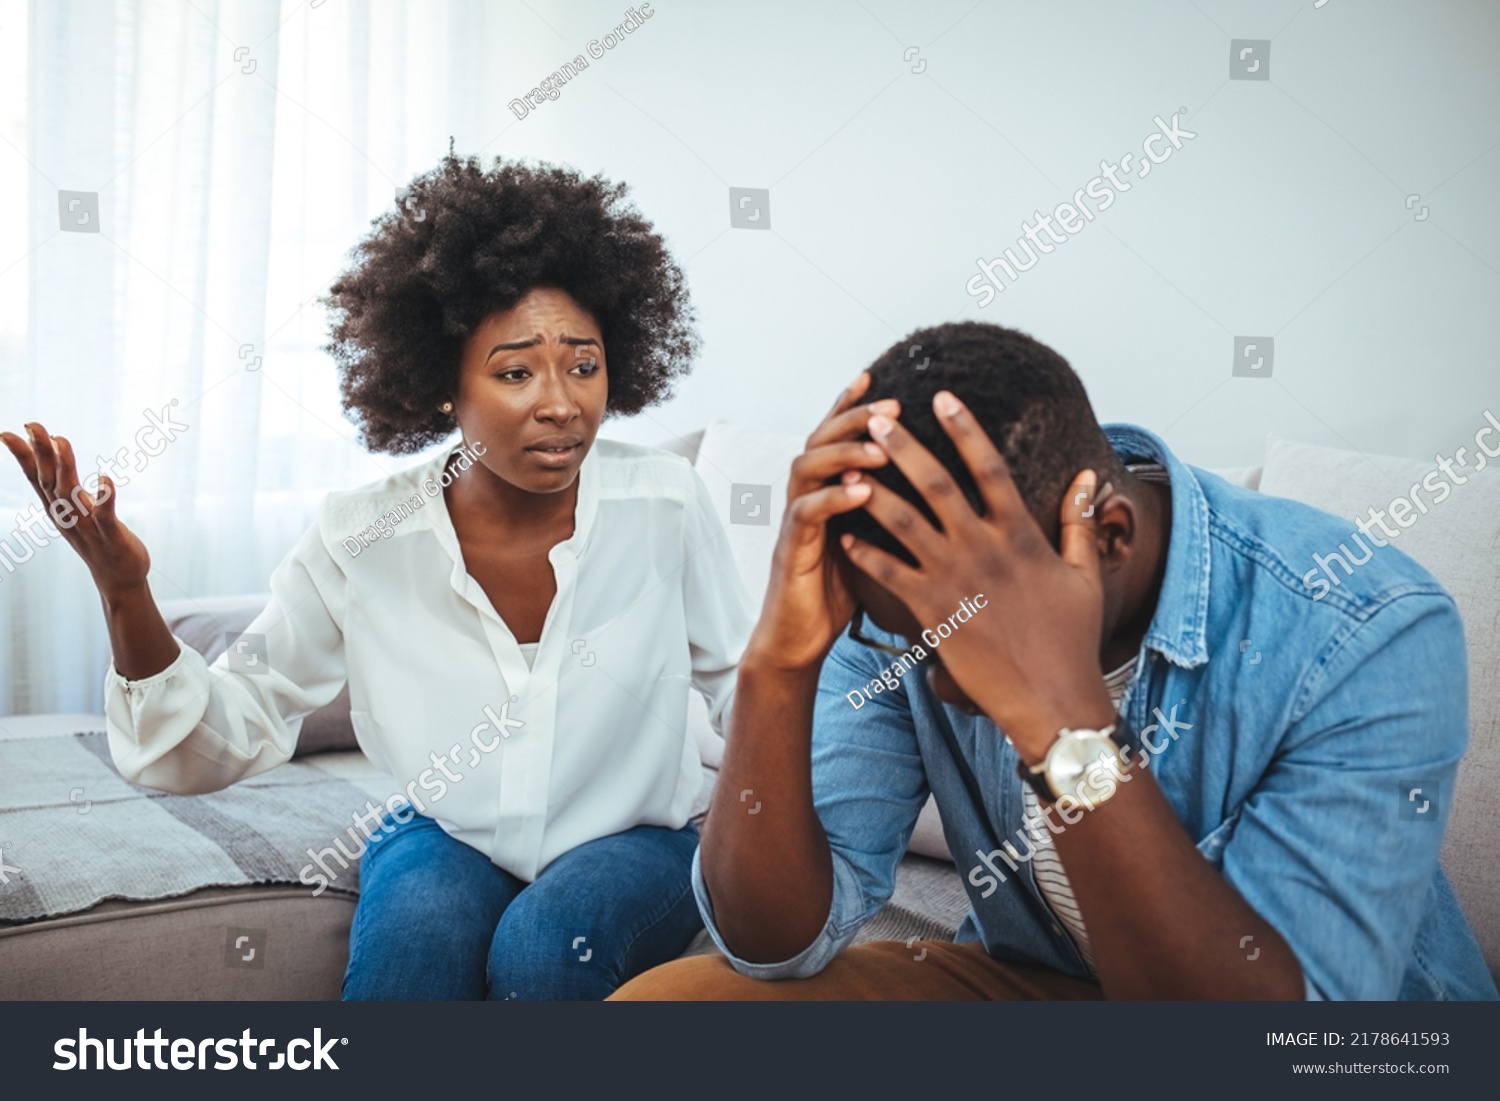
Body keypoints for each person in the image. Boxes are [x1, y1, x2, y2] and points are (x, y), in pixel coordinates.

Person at [2, 155, 753, 1001]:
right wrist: (125, 590)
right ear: (442, 384)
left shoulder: (664, 500)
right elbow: (228, 724)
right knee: (411, 960)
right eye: (515, 372)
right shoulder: (363, 533)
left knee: (544, 949)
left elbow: (743, 682)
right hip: (449, 832)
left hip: (637, 838)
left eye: (584, 365)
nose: (562, 402)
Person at [613, 321, 1497, 1001]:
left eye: (968, 640)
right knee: (672, 1008)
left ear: (1107, 536)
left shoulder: (1365, 626)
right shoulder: (902, 612)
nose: (942, 680)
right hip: (1051, 986)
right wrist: (778, 664)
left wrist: (1059, 718)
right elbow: (773, 942)